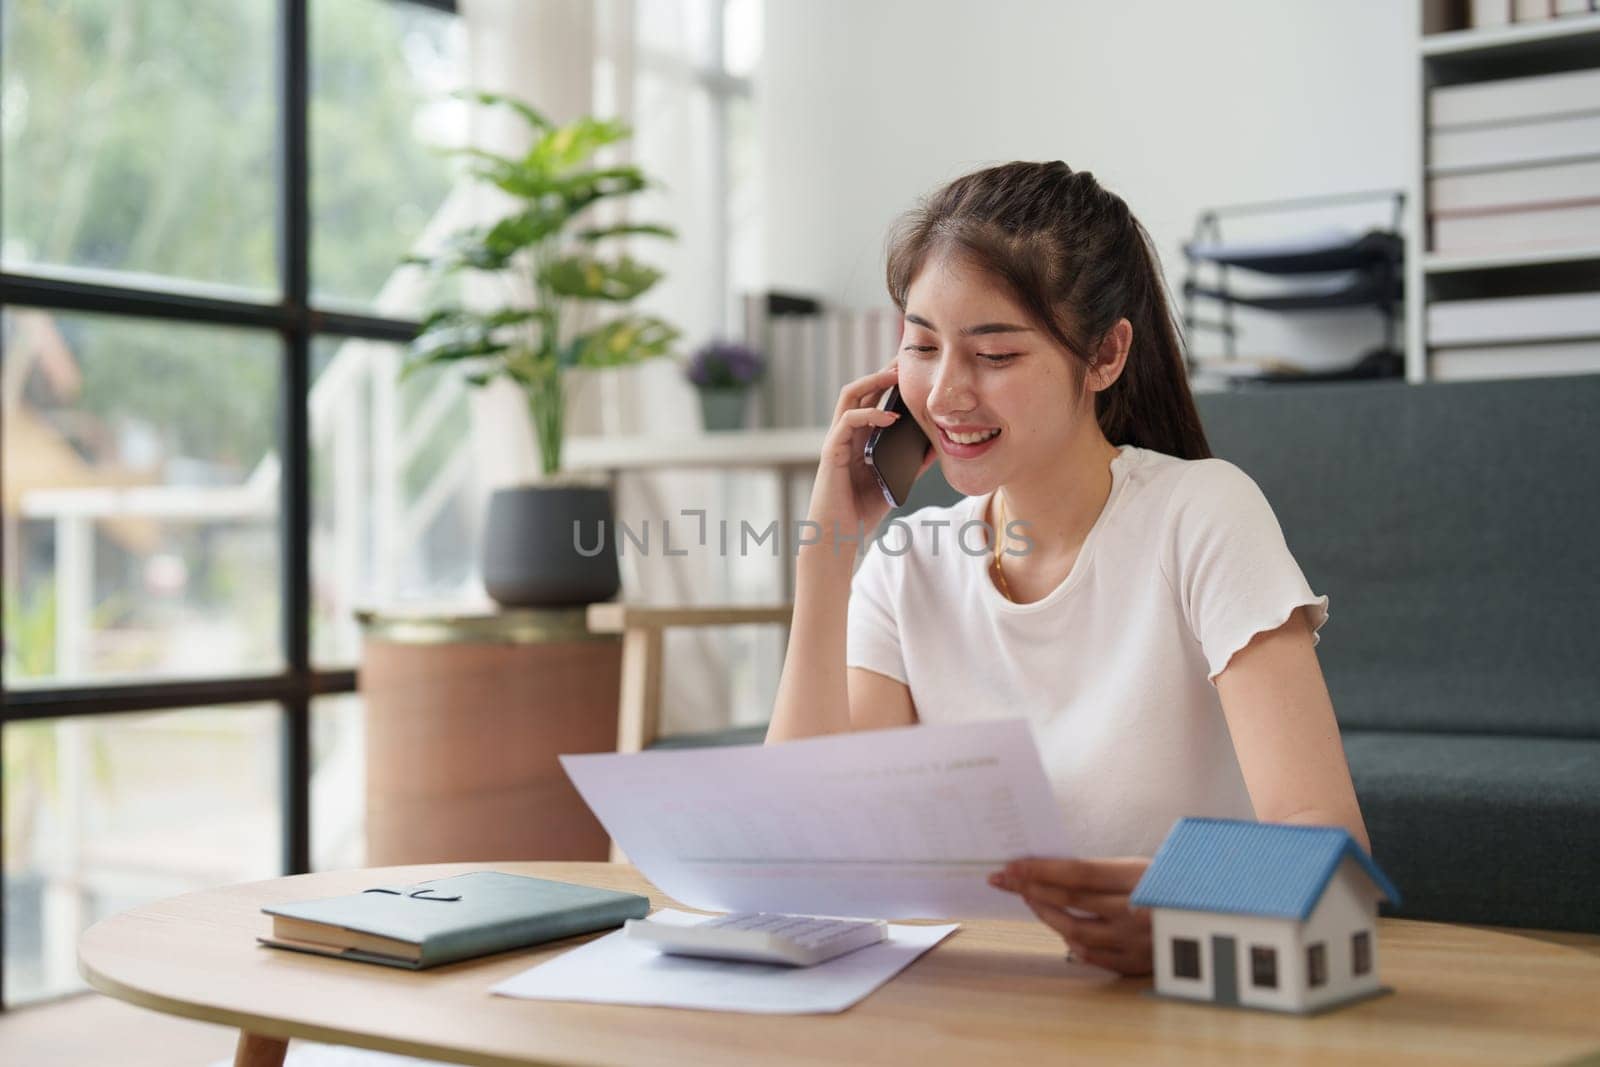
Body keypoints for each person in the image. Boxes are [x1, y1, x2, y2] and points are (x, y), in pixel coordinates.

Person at [764, 160, 1369, 976]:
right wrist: (827, 555)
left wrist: (1182, 912)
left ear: (1107, 353)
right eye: (921, 345)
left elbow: (1334, 853)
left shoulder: (1202, 515)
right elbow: (801, 861)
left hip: (1178, 1007)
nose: (945, 393)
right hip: (974, 1008)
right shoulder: (905, 568)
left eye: (996, 354)